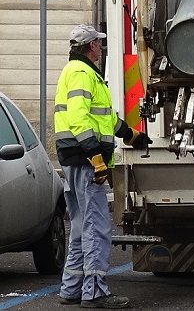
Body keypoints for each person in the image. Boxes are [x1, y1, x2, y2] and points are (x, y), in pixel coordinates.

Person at [54, 24, 152, 308]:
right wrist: (96, 158)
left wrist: (132, 135)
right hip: (86, 163)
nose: (101, 47)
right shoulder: (83, 74)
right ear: (91, 47)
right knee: (96, 228)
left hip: (74, 161)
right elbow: (79, 119)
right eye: (98, 42)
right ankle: (94, 292)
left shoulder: (78, 73)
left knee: (81, 227)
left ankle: (71, 288)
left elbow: (105, 119)